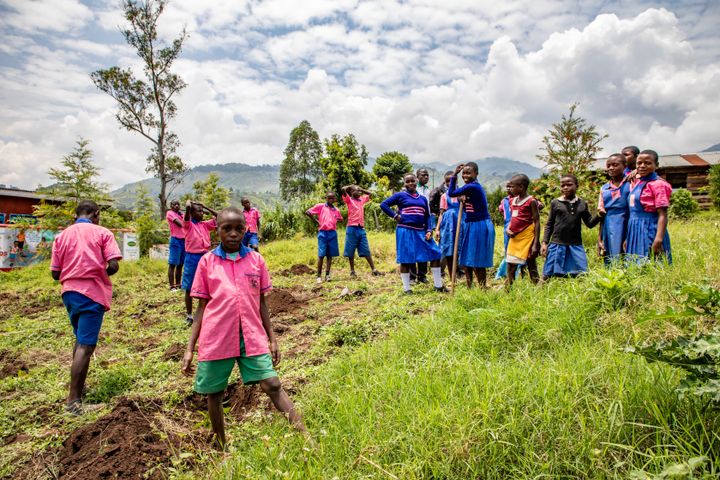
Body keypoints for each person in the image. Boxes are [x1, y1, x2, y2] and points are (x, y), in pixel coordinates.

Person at [182, 207, 305, 449]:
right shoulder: (207, 262)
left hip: (251, 334)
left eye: (239, 229)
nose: (233, 234)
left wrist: (272, 339)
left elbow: (262, 303)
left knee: (272, 384)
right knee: (214, 394)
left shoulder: (256, 259)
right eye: (227, 229)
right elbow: (201, 308)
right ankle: (221, 445)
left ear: (245, 230)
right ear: (217, 231)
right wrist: (189, 348)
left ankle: (305, 436)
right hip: (217, 337)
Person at [50, 200, 122, 415]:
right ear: (96, 214)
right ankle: (73, 403)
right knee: (86, 347)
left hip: (69, 293)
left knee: (80, 340)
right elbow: (114, 265)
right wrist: (96, 273)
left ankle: (79, 386)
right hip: (91, 294)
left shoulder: (61, 236)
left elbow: (55, 273)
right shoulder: (102, 233)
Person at [381, 173, 447, 294]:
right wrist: (395, 216)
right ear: (404, 183)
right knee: (405, 259)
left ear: (416, 181)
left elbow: (427, 216)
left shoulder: (422, 199)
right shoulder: (400, 195)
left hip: (421, 232)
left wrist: (428, 230)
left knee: (436, 254)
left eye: (412, 181)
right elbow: (383, 205)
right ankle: (407, 288)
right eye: (408, 181)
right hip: (405, 230)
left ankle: (438, 285)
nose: (410, 183)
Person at [541, 174, 603, 280]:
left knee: (582, 273)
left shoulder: (582, 203)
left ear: (577, 186)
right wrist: (544, 243)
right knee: (548, 273)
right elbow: (549, 224)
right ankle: (540, 292)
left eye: (569, 185)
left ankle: (579, 293)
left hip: (575, 244)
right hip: (557, 244)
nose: (565, 187)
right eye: (562, 185)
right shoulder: (555, 203)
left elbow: (589, 223)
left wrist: (599, 216)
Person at [447, 162, 495, 288]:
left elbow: (451, 193)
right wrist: (460, 198)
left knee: (477, 258)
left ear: (476, 174)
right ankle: (470, 286)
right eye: (463, 173)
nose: (465, 176)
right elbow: (460, 198)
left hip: (479, 225)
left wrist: (454, 175)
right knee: (467, 257)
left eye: (468, 173)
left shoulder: (473, 187)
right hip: (471, 224)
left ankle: (483, 288)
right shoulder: (470, 188)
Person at [625, 149, 672, 264]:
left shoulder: (659, 185)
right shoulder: (637, 182)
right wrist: (628, 237)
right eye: (639, 163)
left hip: (650, 228)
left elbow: (663, 214)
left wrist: (658, 239)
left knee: (652, 263)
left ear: (657, 165)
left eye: (648, 163)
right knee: (635, 266)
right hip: (634, 228)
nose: (642, 166)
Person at [182, 201, 218, 326]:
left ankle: (207, 312)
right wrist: (187, 209)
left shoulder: (205, 225)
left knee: (208, 285)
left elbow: (219, 217)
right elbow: (186, 219)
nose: (202, 213)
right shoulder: (188, 225)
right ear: (192, 213)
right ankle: (189, 315)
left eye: (202, 211)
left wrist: (205, 206)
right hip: (192, 258)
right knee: (189, 287)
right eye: (199, 211)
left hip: (206, 256)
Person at [505, 175, 540, 286]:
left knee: (531, 264)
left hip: (527, 237)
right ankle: (508, 292)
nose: (510, 189)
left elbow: (537, 222)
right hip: (514, 238)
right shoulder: (513, 200)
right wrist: (507, 228)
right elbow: (512, 218)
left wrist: (535, 243)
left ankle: (537, 290)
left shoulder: (531, 201)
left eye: (512, 187)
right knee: (510, 265)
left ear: (521, 187)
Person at [341, 185, 381, 277]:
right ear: (351, 192)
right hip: (351, 228)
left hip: (361, 228)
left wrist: (360, 188)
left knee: (366, 249)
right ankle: (352, 271)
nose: (359, 192)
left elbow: (371, 194)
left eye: (360, 191)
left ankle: (374, 269)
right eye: (357, 191)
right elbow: (343, 189)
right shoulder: (349, 200)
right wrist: (351, 186)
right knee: (351, 250)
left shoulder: (362, 200)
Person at [597, 154, 630, 264]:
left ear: (625, 166)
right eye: (609, 165)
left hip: (628, 221)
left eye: (615, 165)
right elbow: (602, 215)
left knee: (628, 253)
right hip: (609, 225)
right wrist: (599, 238)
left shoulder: (631, 183)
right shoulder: (604, 188)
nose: (611, 168)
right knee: (611, 254)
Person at [306, 192, 344, 283]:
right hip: (323, 233)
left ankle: (327, 275)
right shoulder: (321, 206)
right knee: (321, 255)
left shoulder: (336, 210)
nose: (331, 200)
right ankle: (318, 276)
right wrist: (316, 221)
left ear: (334, 199)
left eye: (332, 198)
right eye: (329, 198)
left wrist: (333, 221)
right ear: (326, 198)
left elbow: (340, 219)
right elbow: (308, 212)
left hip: (332, 233)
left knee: (330, 255)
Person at [434, 181, 464, 279]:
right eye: (447, 182)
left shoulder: (462, 194)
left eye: (453, 182)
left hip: (460, 222)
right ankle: (452, 277)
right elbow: (441, 214)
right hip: (448, 226)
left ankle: (462, 273)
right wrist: (437, 229)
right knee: (448, 248)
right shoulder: (444, 196)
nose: (450, 184)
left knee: (461, 247)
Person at [411, 167, 433, 283]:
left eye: (427, 175)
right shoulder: (414, 189)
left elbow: (428, 210)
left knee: (423, 249)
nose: (426, 177)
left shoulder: (428, 190)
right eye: (423, 175)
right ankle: (412, 276)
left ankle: (422, 275)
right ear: (417, 177)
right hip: (414, 223)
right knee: (413, 250)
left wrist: (429, 227)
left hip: (426, 222)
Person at [494, 181, 515, 280]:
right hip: (507, 225)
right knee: (508, 249)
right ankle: (505, 273)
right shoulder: (504, 200)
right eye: (507, 187)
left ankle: (519, 272)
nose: (508, 189)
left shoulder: (519, 199)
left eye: (511, 187)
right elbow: (501, 210)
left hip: (518, 225)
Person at [166, 200, 185, 290]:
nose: (177, 206)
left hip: (184, 241)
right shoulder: (170, 213)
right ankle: (172, 286)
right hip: (176, 240)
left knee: (180, 264)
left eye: (178, 204)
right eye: (174, 204)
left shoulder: (181, 214)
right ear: (171, 206)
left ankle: (178, 284)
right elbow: (181, 224)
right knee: (173, 264)